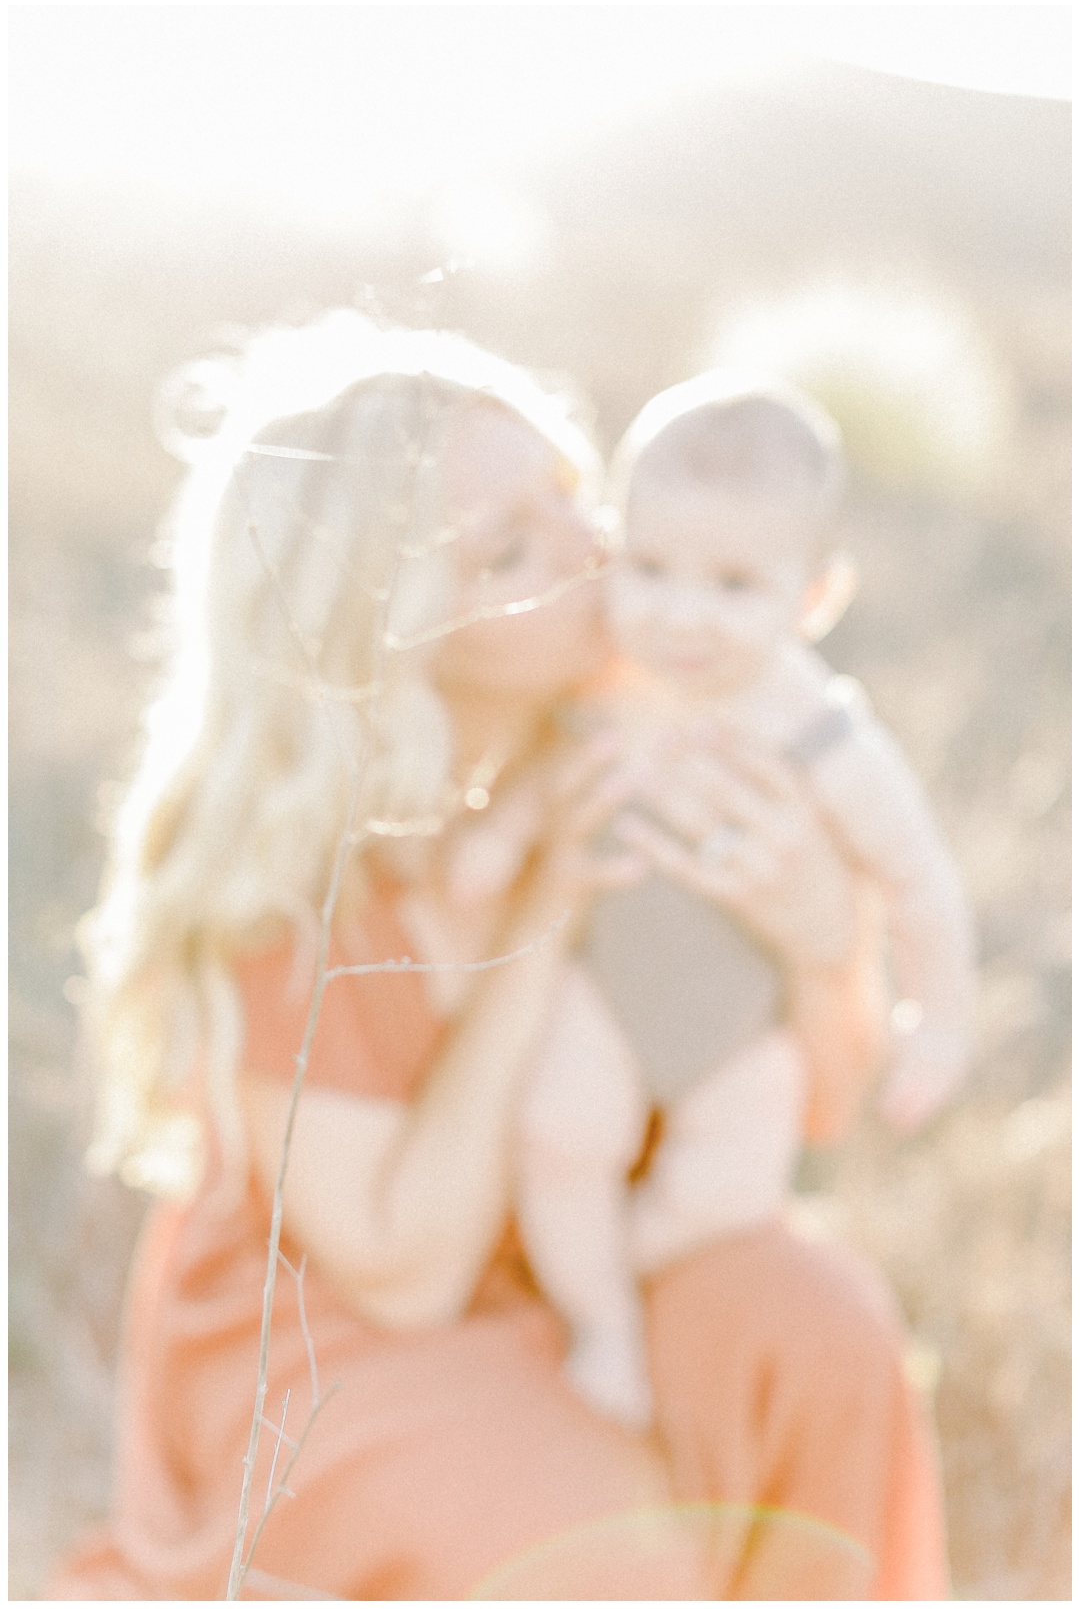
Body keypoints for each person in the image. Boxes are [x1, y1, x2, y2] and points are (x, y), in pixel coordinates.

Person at [50, 313, 949, 1601]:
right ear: (391, 629)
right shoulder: (284, 881)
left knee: (820, 1325)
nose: (594, 548)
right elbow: (407, 1272)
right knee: (589, 1553)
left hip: (598, 1255)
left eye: (572, 496)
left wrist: (821, 945)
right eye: (512, 550)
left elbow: (820, 1108)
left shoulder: (649, 737)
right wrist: (539, 920)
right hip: (343, 1334)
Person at [502, 372, 977, 1431]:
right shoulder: (605, 678)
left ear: (815, 597)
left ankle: (628, 1264)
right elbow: (525, 775)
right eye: (652, 569)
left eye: (733, 585)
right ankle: (600, 1329)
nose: (682, 616)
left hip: (741, 1020)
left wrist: (938, 1027)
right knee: (558, 1129)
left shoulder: (821, 735)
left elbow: (920, 881)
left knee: (735, 1186)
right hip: (605, 979)